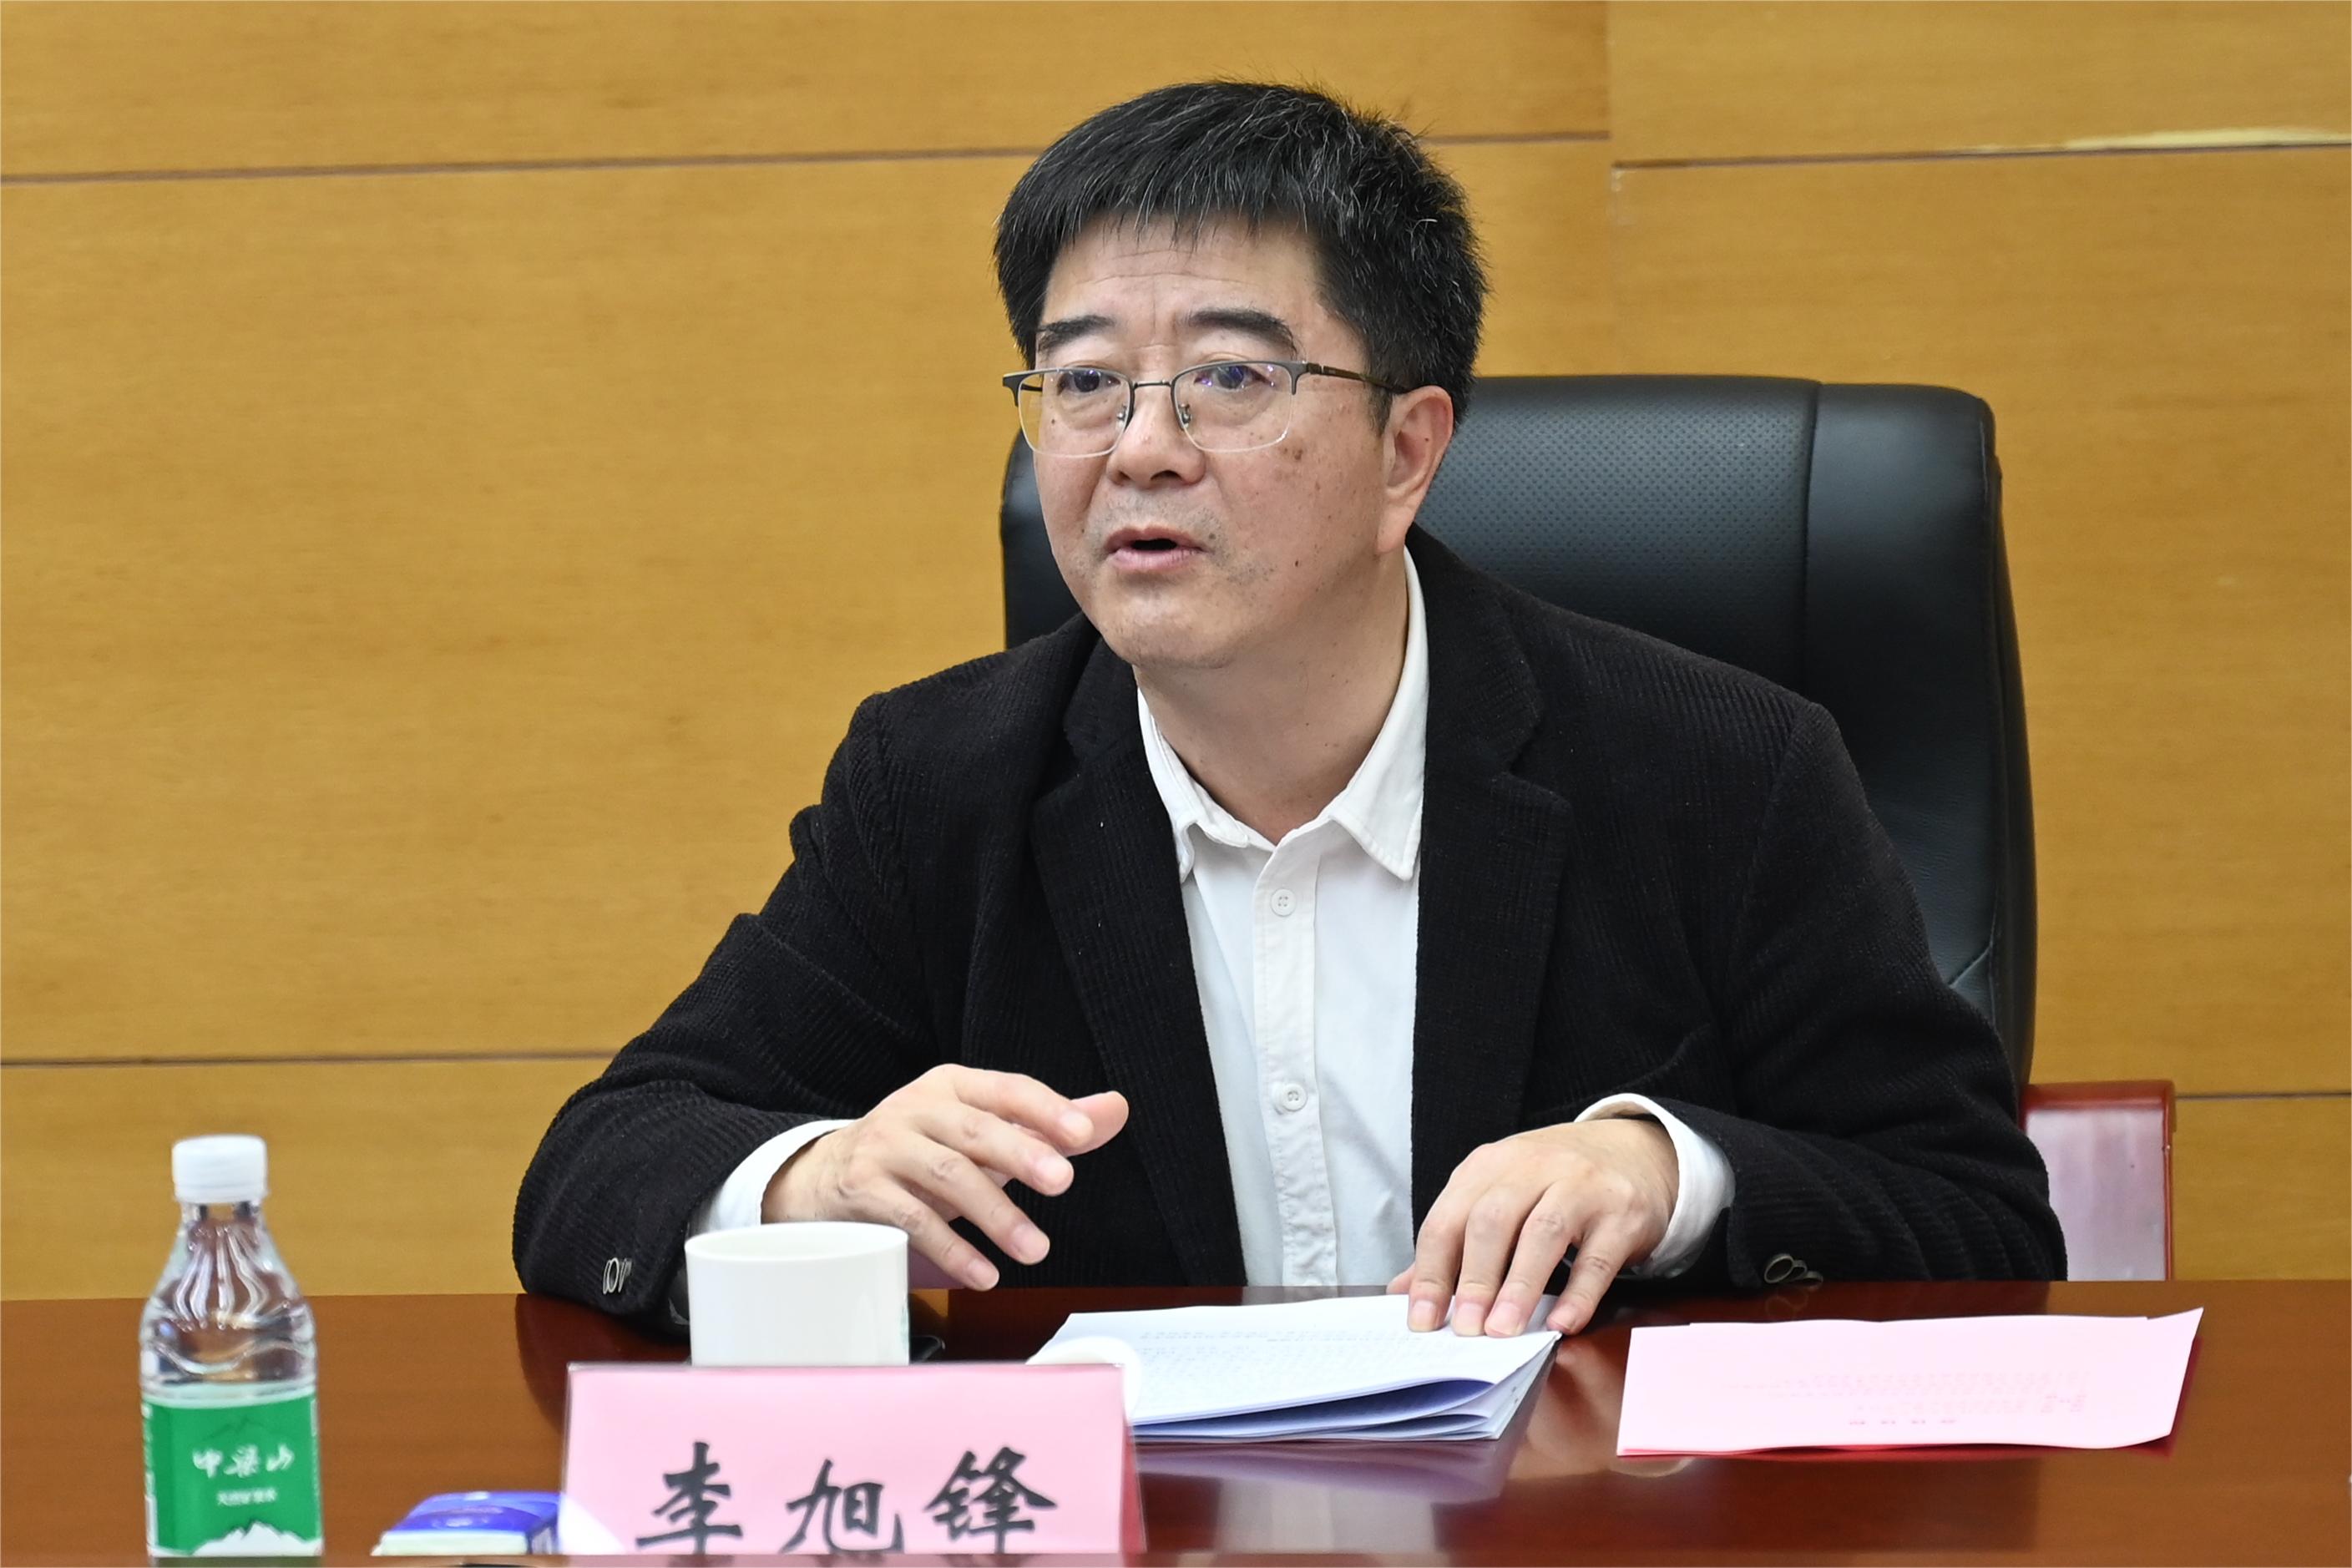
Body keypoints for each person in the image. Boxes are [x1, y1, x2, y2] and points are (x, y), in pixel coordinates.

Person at [513, 81, 2062, 1342]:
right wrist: (815, 1179)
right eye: (1082, 382)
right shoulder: (941, 782)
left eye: (1231, 379)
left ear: (1406, 450)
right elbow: (601, 1165)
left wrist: (1673, 1174)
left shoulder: (1716, 766)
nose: (1140, 448)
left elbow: (1977, 1218)